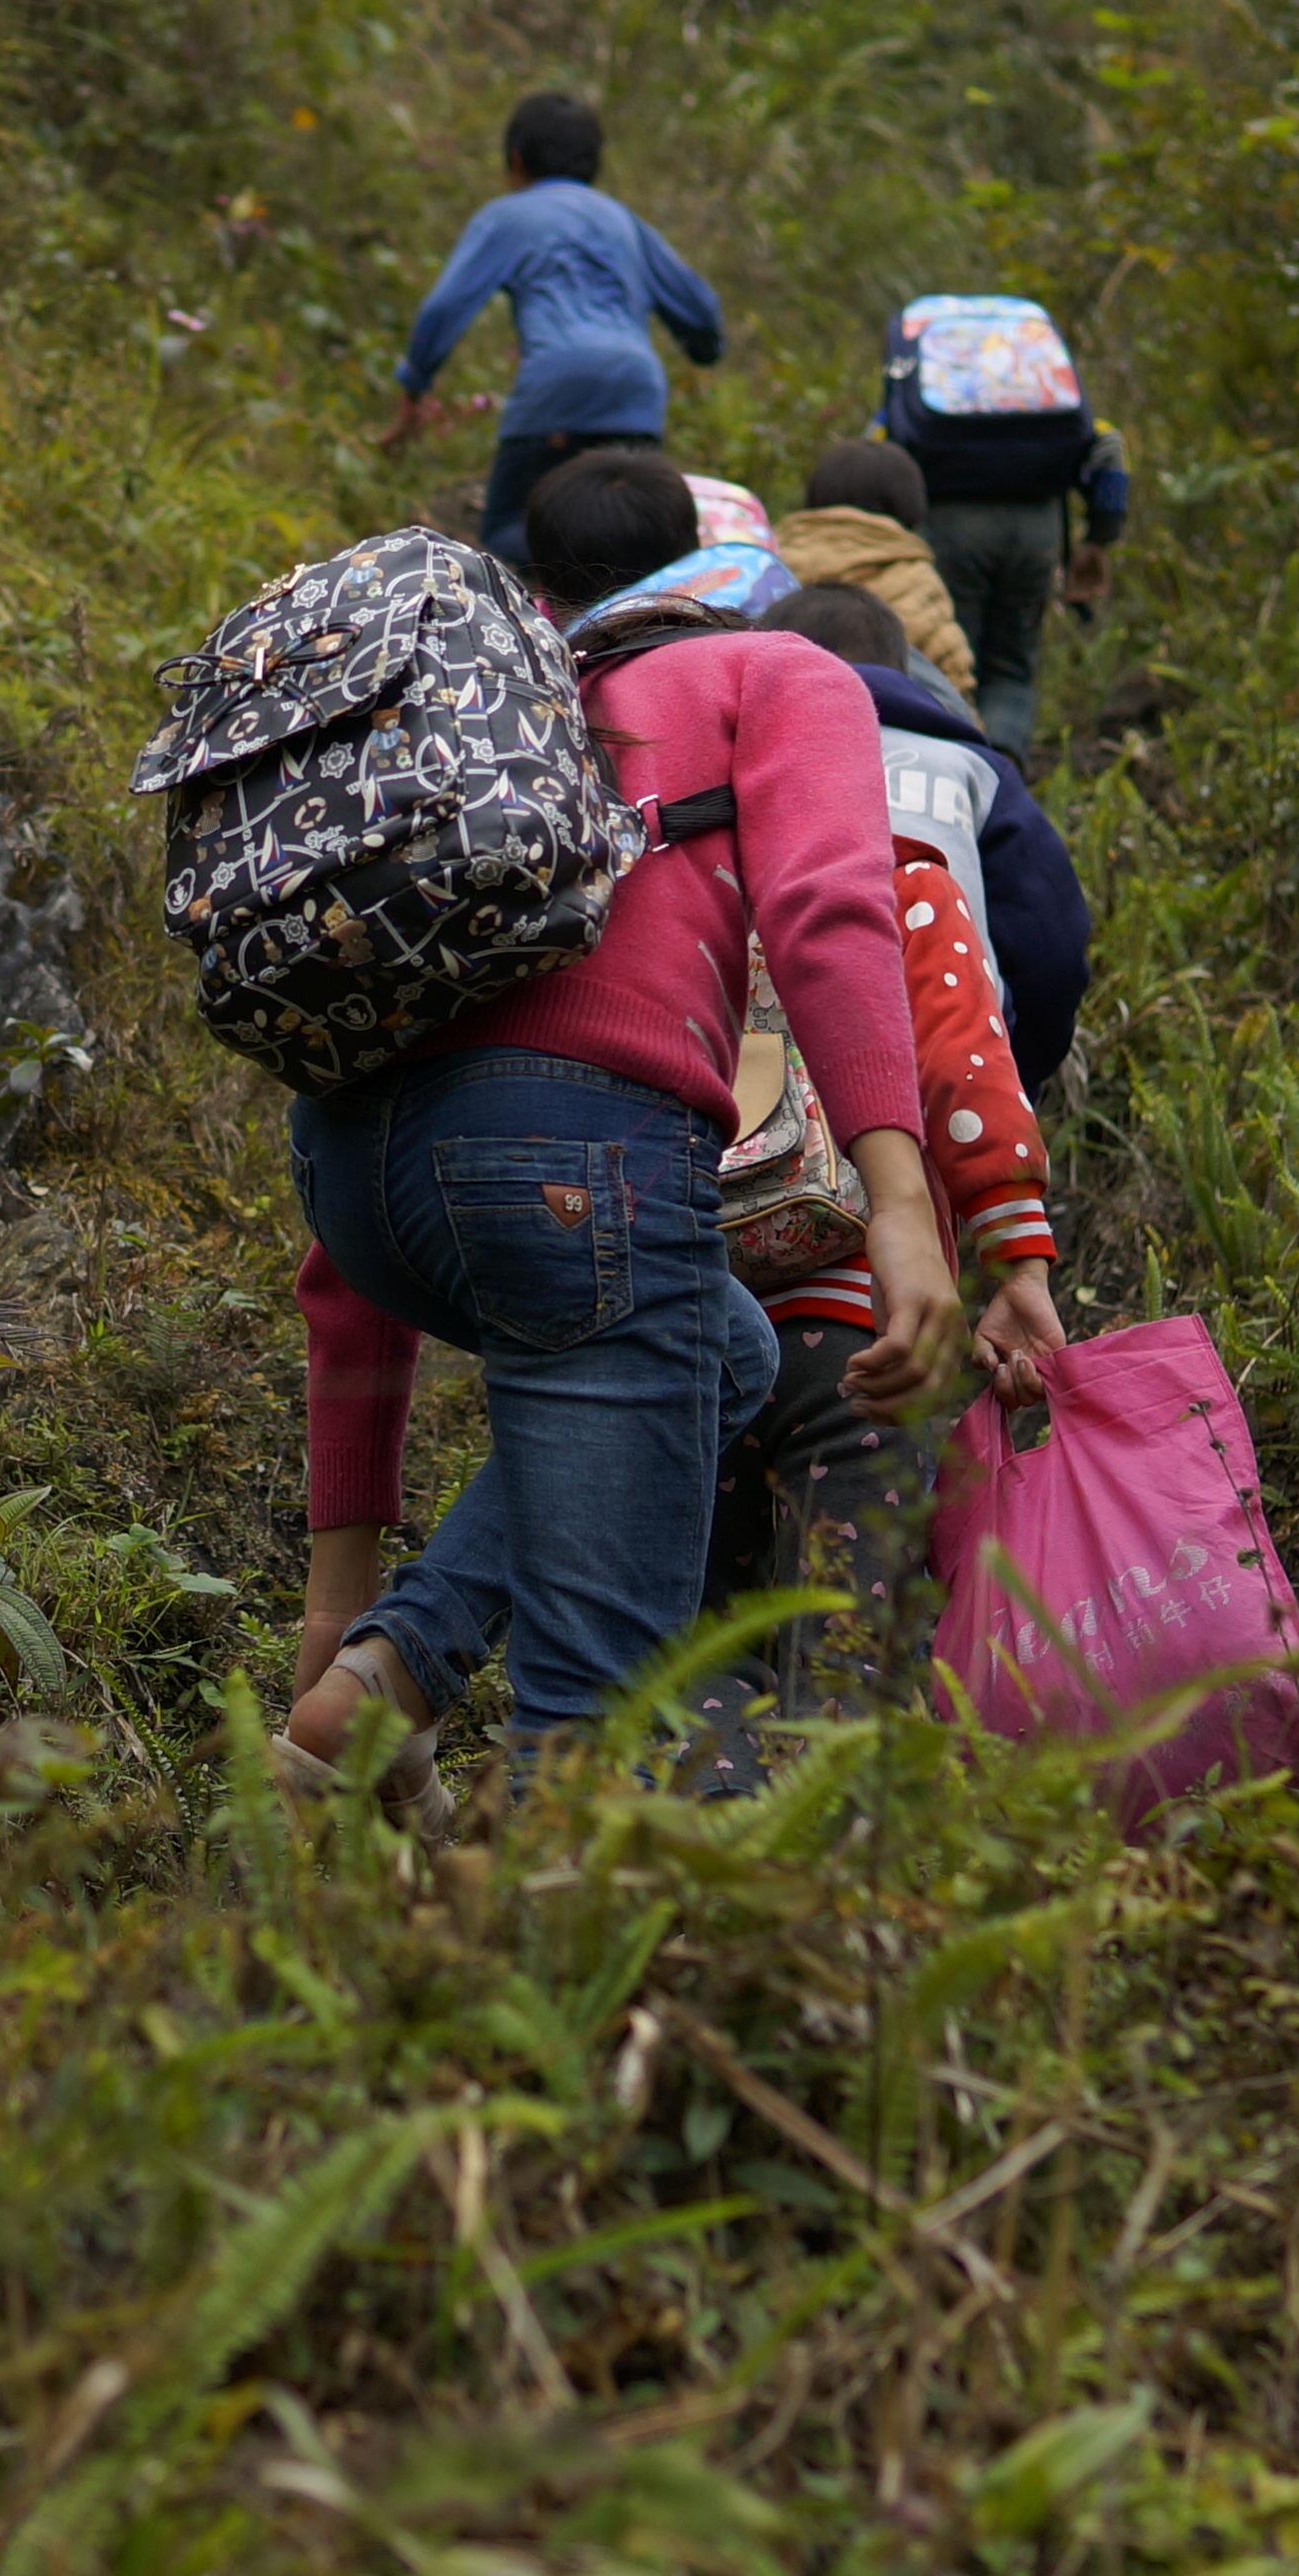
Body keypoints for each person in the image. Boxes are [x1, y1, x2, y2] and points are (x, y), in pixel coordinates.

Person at [282, 448, 952, 1814]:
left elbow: (344, 1275)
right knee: (591, 1725)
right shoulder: (778, 675)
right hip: (572, 1162)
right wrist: (897, 1201)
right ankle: (554, 1987)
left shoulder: (472, 753)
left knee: (729, 1347)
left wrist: (338, 1589)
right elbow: (833, 913)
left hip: (353, 1177)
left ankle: (391, 1678)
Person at [698, 596, 1071, 1767]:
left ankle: (686, 1862)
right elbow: (968, 1079)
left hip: (685, 1319)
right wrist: (1014, 1258)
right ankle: (825, 1886)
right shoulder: (902, 881)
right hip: (869, 1335)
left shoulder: (676, 894)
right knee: (848, 1645)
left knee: (693, 1636)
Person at [763, 580, 1089, 1096]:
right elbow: (1051, 948)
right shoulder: (973, 770)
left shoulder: (749, 763)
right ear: (903, 669)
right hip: (950, 1058)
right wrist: (1011, 1066)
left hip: (780, 1069)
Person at [392, 91, 727, 562]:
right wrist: (705, 349)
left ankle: (538, 625)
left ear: (515, 159)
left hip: (557, 391)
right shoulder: (625, 221)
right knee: (631, 542)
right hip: (636, 393)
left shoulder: (508, 216)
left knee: (512, 531)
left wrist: (415, 385)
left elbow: (445, 308)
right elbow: (701, 312)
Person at [871, 294, 1132, 761]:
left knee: (949, 663)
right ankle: (1006, 777)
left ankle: (950, 773)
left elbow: (878, 445)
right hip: (1037, 527)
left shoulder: (921, 378)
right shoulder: (1038, 387)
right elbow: (1109, 453)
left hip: (947, 525)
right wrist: (1098, 539)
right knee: (1011, 668)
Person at [770, 439, 977, 692]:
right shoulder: (917, 578)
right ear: (907, 501)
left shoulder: (771, 561)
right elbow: (954, 676)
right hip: (890, 720)